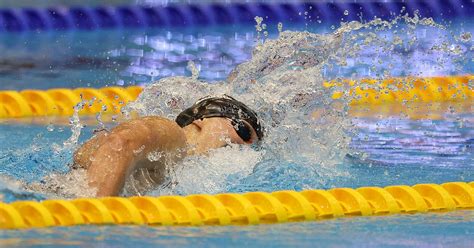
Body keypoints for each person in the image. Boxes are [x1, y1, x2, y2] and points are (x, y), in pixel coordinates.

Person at [73, 95, 264, 197]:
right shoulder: (173, 134)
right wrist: (92, 221)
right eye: (243, 131)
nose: (242, 145)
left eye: (251, 146)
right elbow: (120, 142)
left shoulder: (177, 167)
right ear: (202, 120)